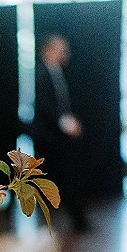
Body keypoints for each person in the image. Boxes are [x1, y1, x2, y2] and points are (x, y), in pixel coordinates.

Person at [32, 34, 90, 233]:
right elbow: (45, 105)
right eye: (61, 50)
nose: (65, 54)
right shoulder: (41, 73)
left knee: (68, 176)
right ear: (47, 50)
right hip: (48, 137)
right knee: (57, 178)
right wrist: (65, 123)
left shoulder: (58, 72)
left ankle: (77, 221)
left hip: (58, 136)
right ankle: (59, 223)